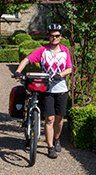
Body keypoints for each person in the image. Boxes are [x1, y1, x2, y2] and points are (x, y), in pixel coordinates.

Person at [14, 24, 73, 159]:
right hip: (46, 89)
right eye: (52, 35)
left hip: (62, 89)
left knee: (59, 118)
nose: (54, 38)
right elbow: (26, 60)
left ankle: (57, 139)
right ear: (49, 37)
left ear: (60, 37)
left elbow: (70, 68)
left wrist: (61, 75)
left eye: (57, 35)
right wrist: (18, 71)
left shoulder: (65, 51)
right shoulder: (42, 51)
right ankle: (50, 147)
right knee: (49, 118)